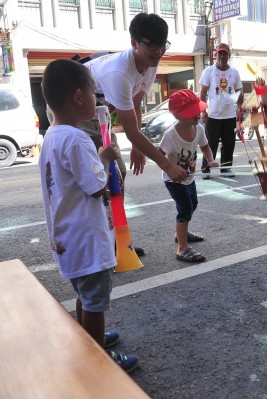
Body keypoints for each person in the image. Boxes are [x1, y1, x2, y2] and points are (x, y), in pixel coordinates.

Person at [39, 59, 139, 373]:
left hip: (67, 237)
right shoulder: (77, 139)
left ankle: (88, 336)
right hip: (87, 238)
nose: (98, 101)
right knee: (95, 299)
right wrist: (105, 157)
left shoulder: (51, 137)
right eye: (94, 92)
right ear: (78, 97)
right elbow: (96, 187)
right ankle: (98, 361)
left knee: (85, 293)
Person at [82, 12, 188, 256]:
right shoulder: (120, 72)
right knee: (95, 176)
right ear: (134, 43)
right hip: (76, 110)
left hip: (99, 110)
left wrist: (140, 147)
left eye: (162, 45)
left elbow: (136, 101)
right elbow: (130, 130)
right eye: (152, 45)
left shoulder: (150, 63)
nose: (159, 51)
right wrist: (167, 165)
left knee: (116, 174)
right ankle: (100, 246)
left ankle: (116, 239)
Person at [158, 89, 219, 262]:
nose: (197, 115)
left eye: (197, 110)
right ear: (177, 116)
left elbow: (205, 147)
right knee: (185, 209)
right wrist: (171, 169)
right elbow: (159, 155)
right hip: (174, 180)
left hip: (189, 177)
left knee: (192, 205)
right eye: (191, 112)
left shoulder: (198, 128)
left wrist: (210, 160)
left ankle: (181, 233)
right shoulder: (170, 136)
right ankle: (182, 248)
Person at [199, 43, 243, 179]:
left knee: (229, 144)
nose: (222, 56)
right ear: (216, 55)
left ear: (229, 56)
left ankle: (226, 169)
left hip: (229, 115)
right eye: (220, 53)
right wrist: (203, 111)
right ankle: (206, 169)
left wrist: (240, 107)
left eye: (225, 54)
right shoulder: (209, 71)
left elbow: (239, 92)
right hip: (213, 115)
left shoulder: (234, 72)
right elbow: (202, 92)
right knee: (210, 144)